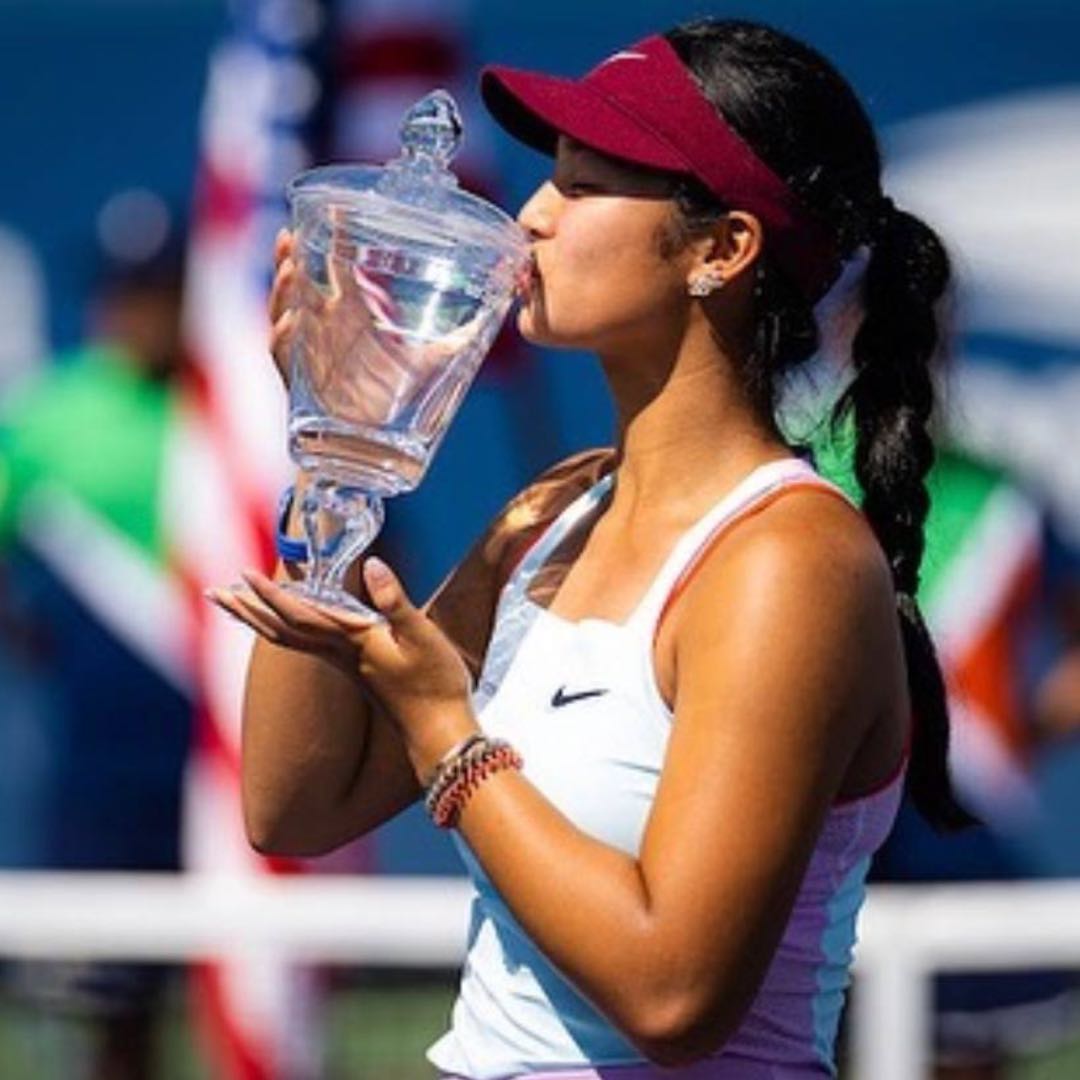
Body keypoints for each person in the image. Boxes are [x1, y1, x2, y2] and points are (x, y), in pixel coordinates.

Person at [209, 18, 975, 1078]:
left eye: (584, 185)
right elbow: (296, 805)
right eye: (550, 177)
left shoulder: (790, 562)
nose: (530, 215)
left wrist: (446, 731)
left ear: (721, 250)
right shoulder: (554, 516)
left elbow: (673, 996)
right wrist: (337, 444)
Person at [0, 201, 191, 1080]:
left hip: (225, 749)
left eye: (161, 291)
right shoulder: (49, 418)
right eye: (128, 292)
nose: (141, 312)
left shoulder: (240, 405)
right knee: (114, 1002)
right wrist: (33, 637)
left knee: (254, 981)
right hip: (103, 760)